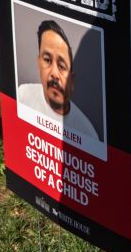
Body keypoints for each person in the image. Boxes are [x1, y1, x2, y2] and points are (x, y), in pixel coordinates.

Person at [17, 19, 103, 159]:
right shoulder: (22, 96)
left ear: (72, 81)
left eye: (62, 66)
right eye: (47, 60)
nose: (54, 73)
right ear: (38, 63)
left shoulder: (88, 133)